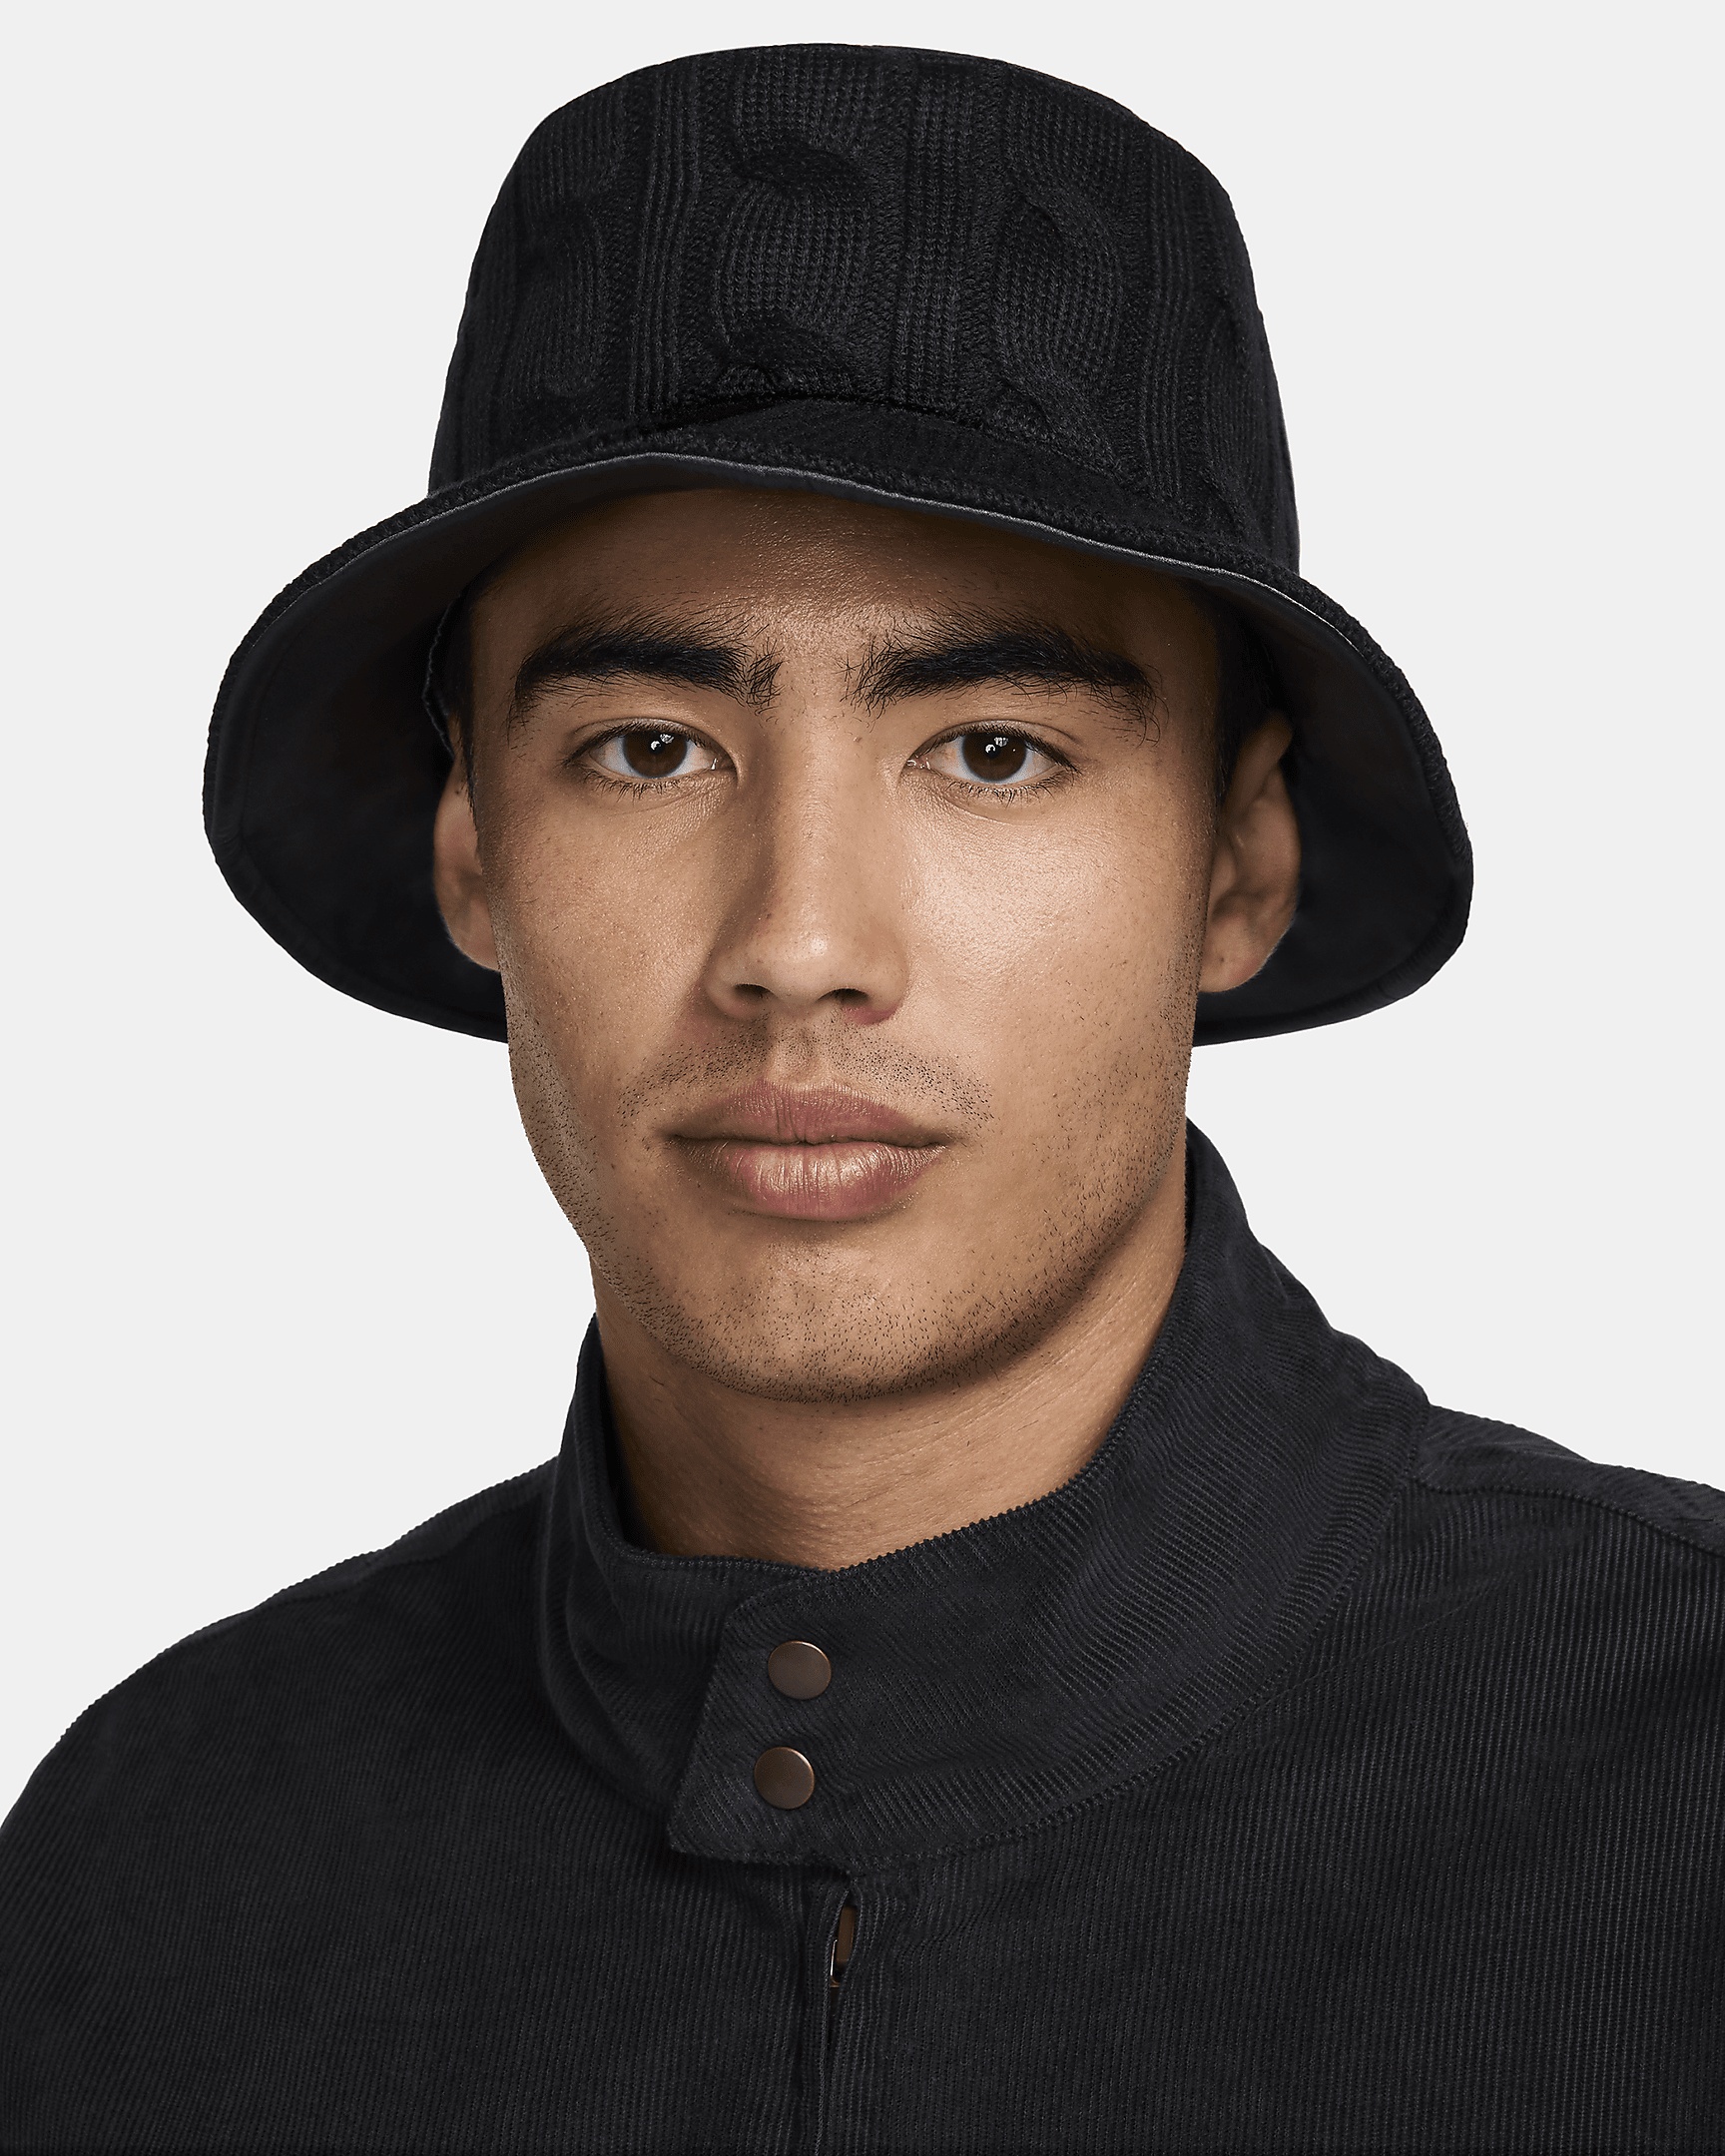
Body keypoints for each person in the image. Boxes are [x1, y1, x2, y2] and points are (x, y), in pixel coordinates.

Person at [1, 42, 1719, 2154]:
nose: (800, 939)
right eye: (648, 749)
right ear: (474, 852)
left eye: (993, 750)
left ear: (1236, 863)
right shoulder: (153, 1869)